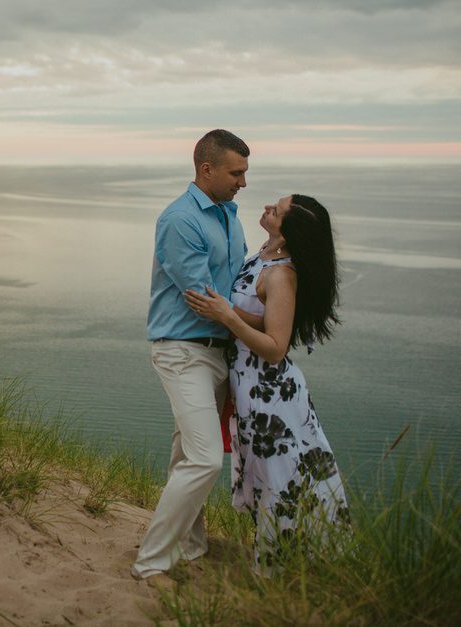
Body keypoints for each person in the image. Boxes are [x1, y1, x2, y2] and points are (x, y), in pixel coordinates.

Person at [186, 194, 350, 575]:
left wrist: (227, 316)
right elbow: (262, 320)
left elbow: (276, 347)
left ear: (288, 230)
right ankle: (288, 562)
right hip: (250, 386)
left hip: (270, 392)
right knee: (266, 476)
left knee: (281, 479)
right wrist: (227, 310)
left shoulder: (282, 275)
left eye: (275, 211)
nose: (266, 209)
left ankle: (278, 571)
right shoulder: (266, 253)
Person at [132, 129, 250, 586]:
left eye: (244, 172)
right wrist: (262, 329)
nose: (242, 182)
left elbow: (232, 290)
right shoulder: (181, 219)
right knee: (205, 459)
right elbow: (206, 299)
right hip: (183, 352)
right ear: (206, 169)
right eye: (235, 173)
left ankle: (192, 543)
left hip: (217, 352)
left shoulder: (228, 215)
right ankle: (151, 563)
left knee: (187, 454)